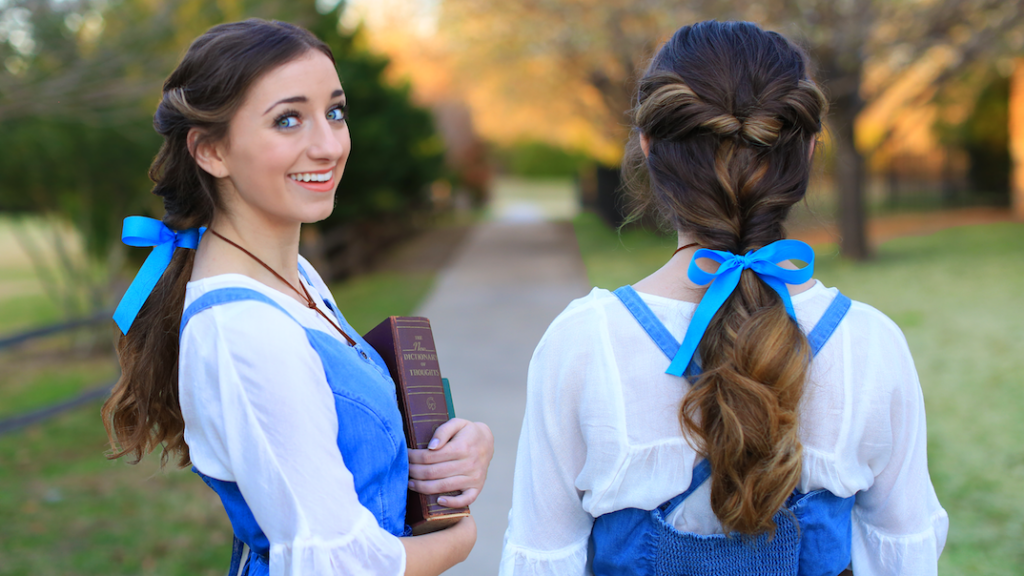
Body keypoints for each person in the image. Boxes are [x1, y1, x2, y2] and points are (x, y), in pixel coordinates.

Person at [500, 21, 947, 576]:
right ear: (807, 152)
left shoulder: (586, 343)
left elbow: (542, 559)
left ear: (649, 147)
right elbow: (904, 557)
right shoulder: (869, 344)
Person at [102, 19, 493, 576]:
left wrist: (455, 453)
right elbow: (342, 564)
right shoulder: (246, 330)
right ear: (211, 150)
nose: (329, 145)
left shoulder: (295, 277)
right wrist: (464, 534)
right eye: (288, 119)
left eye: (334, 112)